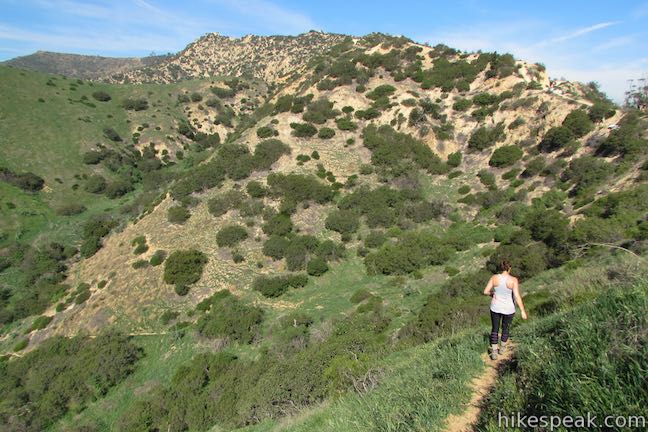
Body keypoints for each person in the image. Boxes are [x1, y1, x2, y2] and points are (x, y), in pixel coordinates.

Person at [483, 260, 527, 360]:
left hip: (495, 307)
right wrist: (522, 310)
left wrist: (492, 294)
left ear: (501, 268)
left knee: (495, 329)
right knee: (505, 328)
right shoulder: (513, 280)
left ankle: (494, 352)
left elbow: (485, 291)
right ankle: (502, 348)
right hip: (509, 308)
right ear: (509, 268)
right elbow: (517, 296)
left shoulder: (494, 278)